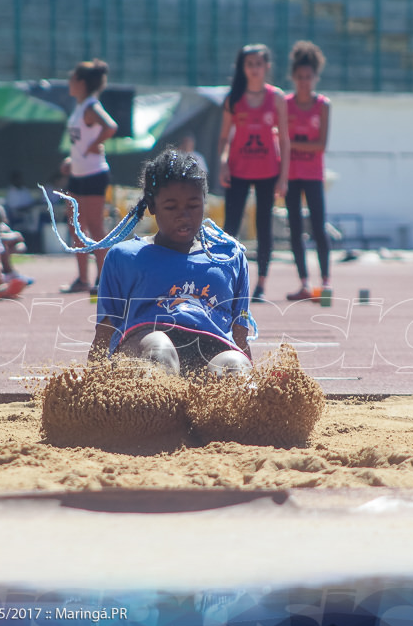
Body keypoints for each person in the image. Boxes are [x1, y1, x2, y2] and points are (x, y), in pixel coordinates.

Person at [87, 148, 253, 378]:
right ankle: (157, 408)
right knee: (160, 349)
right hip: (147, 343)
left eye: (193, 206)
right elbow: (105, 330)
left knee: (234, 365)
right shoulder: (124, 257)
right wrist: (90, 381)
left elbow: (240, 335)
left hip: (212, 352)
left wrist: (251, 377)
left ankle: (217, 409)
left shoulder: (230, 257)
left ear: (205, 202)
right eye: (171, 207)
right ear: (152, 207)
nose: (183, 216)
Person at [216, 43, 290, 301]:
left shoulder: (277, 98)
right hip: (239, 169)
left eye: (259, 64)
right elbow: (224, 137)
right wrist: (223, 163)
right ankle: (224, 279)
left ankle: (261, 284)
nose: (254, 69)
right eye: (250, 64)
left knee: (263, 226)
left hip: (268, 170)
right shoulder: (234, 99)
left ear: (267, 67)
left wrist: (283, 176)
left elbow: (285, 140)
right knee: (231, 226)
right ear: (243, 68)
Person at [60, 59, 117, 293]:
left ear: (82, 83)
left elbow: (110, 126)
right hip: (77, 173)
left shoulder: (91, 106)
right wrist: (73, 159)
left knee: (94, 226)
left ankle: (104, 278)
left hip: (94, 173)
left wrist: (95, 144)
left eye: (72, 78)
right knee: (75, 226)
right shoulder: (80, 106)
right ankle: (82, 278)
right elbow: (80, 139)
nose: (69, 83)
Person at [284, 40, 332, 302]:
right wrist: (296, 146)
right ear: (293, 77)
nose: (304, 82)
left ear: (315, 77)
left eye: (309, 77)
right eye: (300, 77)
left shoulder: (323, 105)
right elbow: (281, 144)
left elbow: (321, 145)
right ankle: (304, 282)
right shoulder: (286, 104)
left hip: (313, 175)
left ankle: (325, 282)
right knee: (294, 229)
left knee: (318, 227)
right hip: (290, 176)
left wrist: (293, 144)